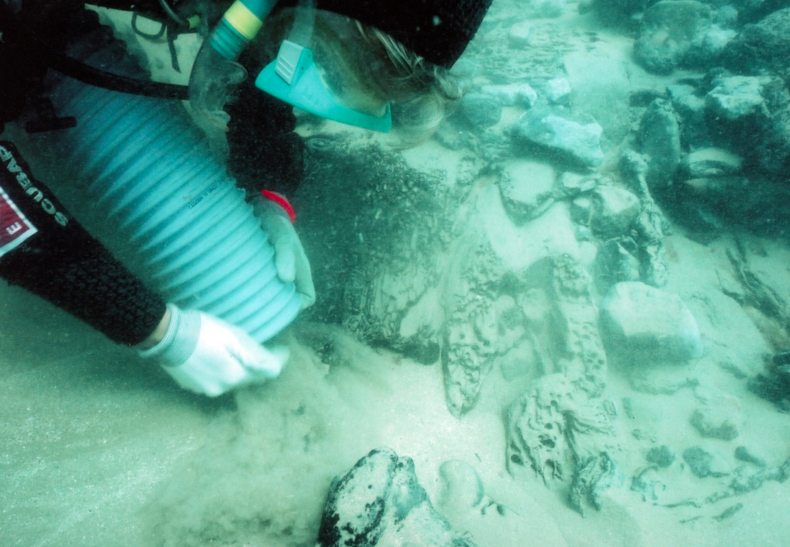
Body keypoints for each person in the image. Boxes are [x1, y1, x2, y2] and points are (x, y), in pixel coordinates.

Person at [0, 0, 493, 396]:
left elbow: (273, 54)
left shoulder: (275, 15)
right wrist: (154, 328)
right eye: (328, 62)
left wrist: (272, 195)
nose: (304, 86)